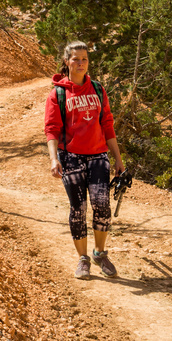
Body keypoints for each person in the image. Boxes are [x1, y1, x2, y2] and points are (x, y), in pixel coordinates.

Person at [44, 41, 125, 279]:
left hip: (98, 156)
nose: (81, 63)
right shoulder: (58, 94)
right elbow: (51, 130)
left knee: (102, 204)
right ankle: (83, 259)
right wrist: (53, 159)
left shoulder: (97, 89)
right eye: (76, 59)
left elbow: (107, 124)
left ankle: (100, 253)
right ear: (66, 61)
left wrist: (118, 158)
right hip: (70, 157)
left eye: (85, 59)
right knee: (78, 208)